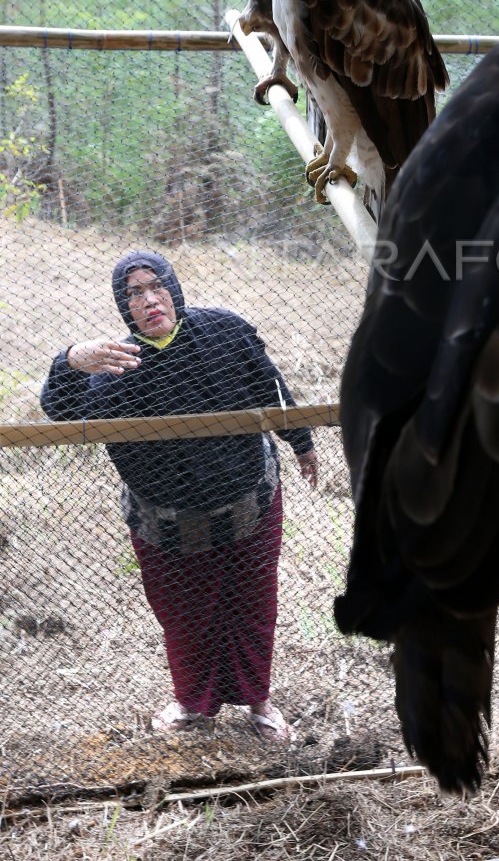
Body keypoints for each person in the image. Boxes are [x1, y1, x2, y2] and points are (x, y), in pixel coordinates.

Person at [40, 248, 318, 742]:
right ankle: (193, 703)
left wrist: (301, 443)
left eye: (156, 286)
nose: (149, 300)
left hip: (247, 503)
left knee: (252, 603)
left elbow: (268, 385)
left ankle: (259, 702)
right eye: (134, 294)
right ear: (123, 306)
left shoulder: (224, 332)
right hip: (164, 523)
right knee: (185, 614)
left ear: (174, 287)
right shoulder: (116, 364)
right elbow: (59, 411)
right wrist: (69, 361)